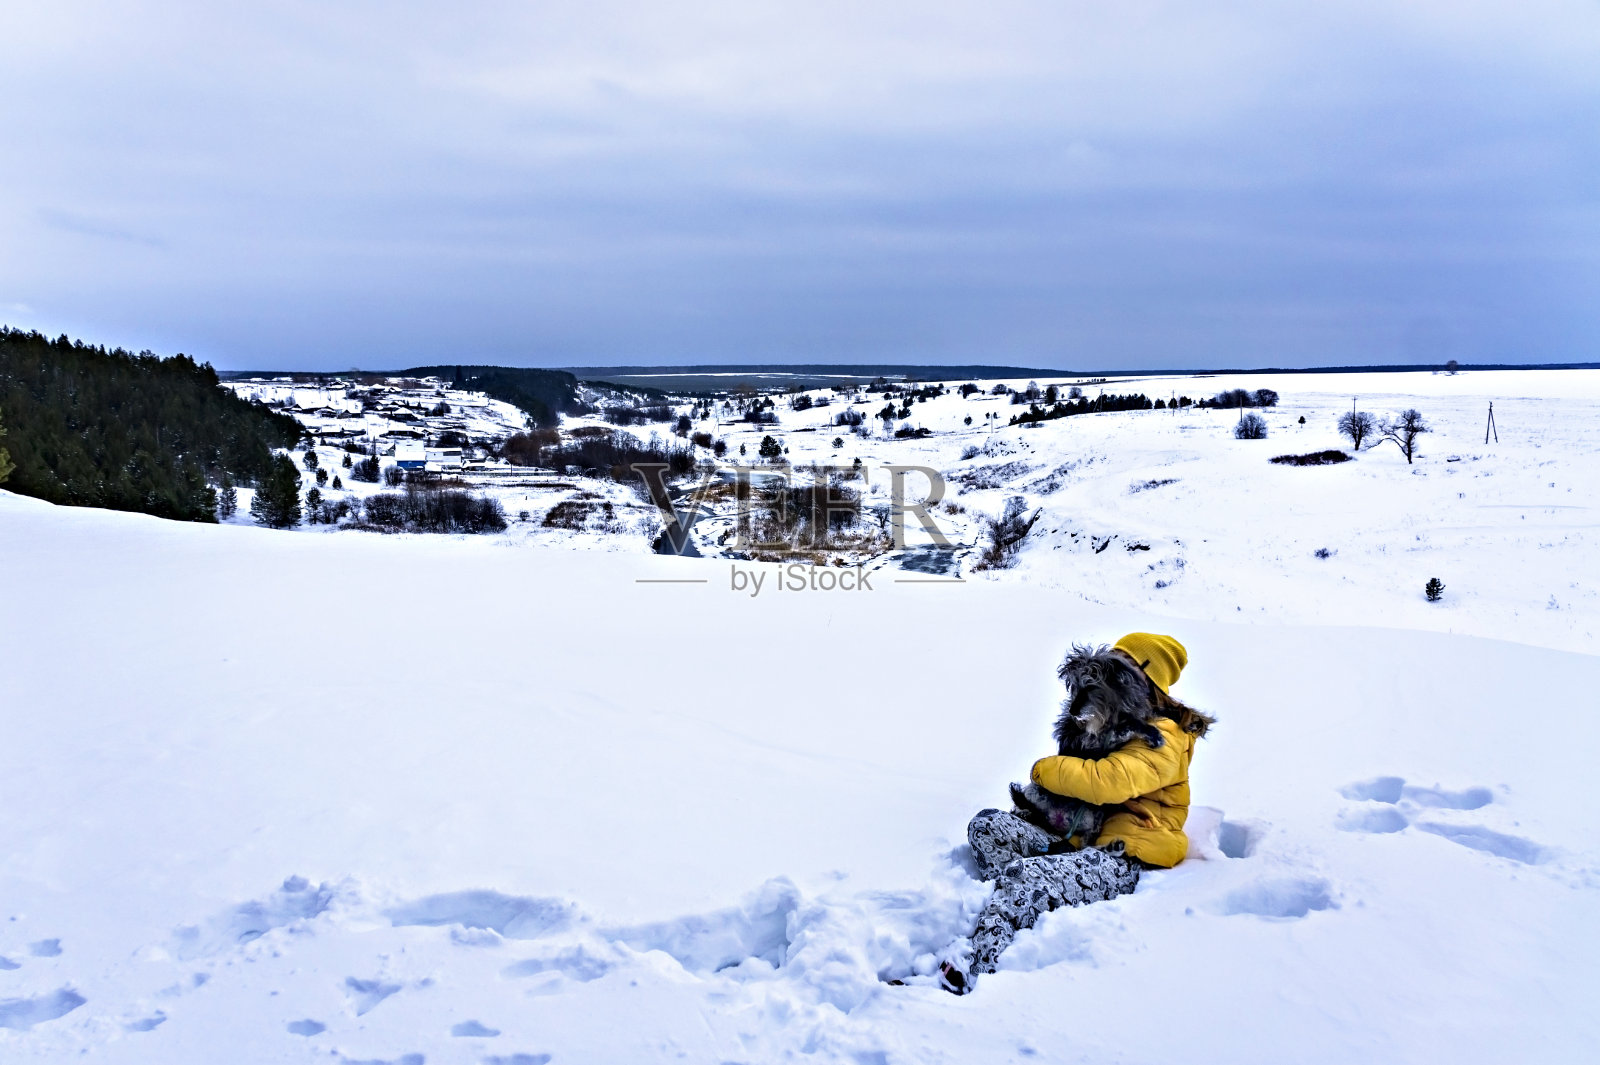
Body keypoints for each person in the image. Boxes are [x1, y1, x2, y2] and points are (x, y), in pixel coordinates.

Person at [942, 632, 1213, 993]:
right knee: (988, 826)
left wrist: (1043, 769)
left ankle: (975, 970)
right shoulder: (1116, 717)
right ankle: (1009, 906)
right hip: (1080, 839)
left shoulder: (1167, 737)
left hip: (1124, 855)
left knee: (1025, 875)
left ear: (1143, 680)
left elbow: (1107, 781)